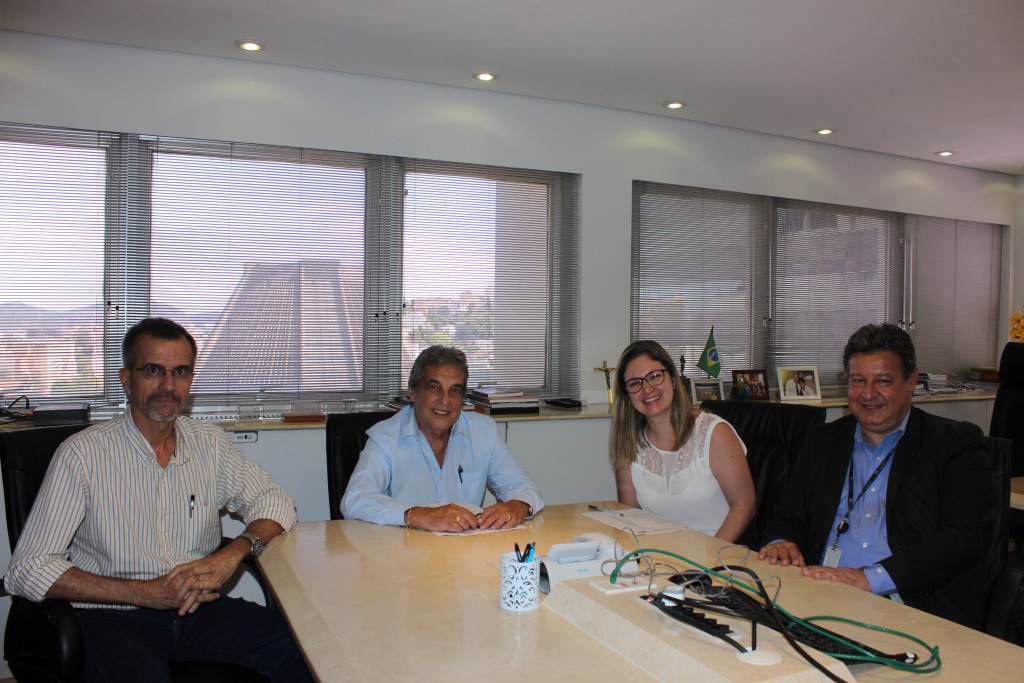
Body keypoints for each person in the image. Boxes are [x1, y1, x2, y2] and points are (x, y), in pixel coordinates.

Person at [4, 317, 312, 682]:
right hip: (114, 618)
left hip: (200, 610)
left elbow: (274, 499)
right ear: (126, 379)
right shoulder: (82, 455)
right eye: (153, 370)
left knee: (312, 653)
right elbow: (29, 568)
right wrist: (144, 593)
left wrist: (234, 553)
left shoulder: (208, 444)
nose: (168, 385)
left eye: (180, 372)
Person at [758, 323, 997, 629]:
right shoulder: (822, 441)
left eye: (883, 381)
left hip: (911, 607)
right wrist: (782, 542)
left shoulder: (954, 444)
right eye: (858, 381)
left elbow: (965, 538)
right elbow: (788, 513)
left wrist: (869, 579)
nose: (868, 394)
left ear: (911, 380)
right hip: (819, 598)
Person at [341, 345, 544, 532]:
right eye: (434, 387)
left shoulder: (483, 432)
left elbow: (522, 486)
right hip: (404, 554)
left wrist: (518, 506)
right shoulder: (386, 437)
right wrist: (418, 515)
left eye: (454, 390)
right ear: (412, 392)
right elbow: (355, 500)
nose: (445, 401)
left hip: (464, 553)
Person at [609, 340, 755, 542]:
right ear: (627, 396)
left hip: (719, 556)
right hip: (661, 560)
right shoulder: (628, 444)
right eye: (635, 383)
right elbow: (631, 518)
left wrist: (706, 564)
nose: (647, 389)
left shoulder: (714, 433)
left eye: (654, 376)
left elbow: (744, 505)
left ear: (674, 380)